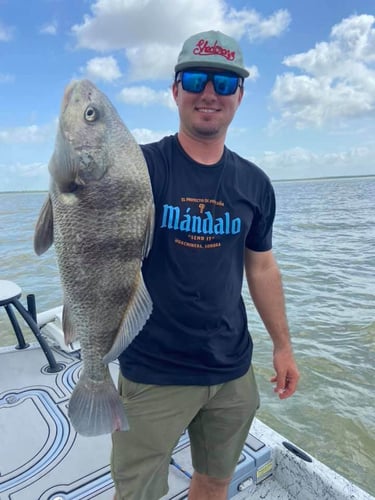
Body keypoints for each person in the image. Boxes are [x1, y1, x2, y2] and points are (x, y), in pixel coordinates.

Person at [111, 30, 300, 500]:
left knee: (215, 481)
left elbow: (261, 268)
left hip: (231, 371)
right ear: (176, 90)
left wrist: (282, 346)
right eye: (196, 78)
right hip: (153, 370)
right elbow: (98, 241)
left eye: (223, 81)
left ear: (240, 94)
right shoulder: (140, 167)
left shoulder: (255, 184)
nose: (209, 93)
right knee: (136, 493)